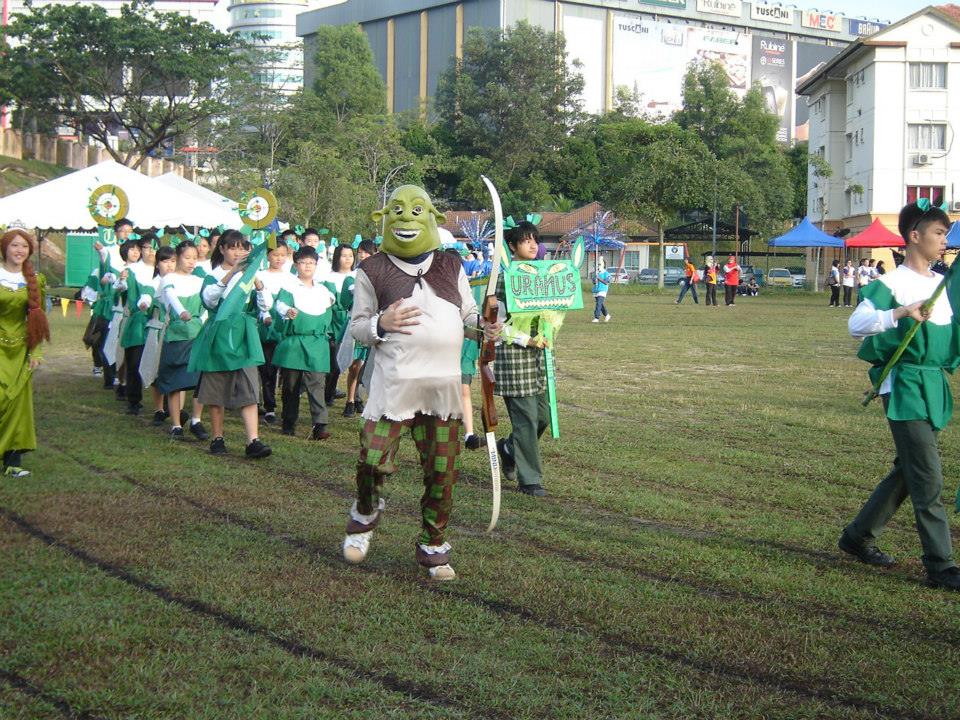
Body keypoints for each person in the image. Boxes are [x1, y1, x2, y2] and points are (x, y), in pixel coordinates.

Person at [340, 185, 492, 581]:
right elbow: (357, 327)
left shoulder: (451, 264)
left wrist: (486, 329)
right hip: (394, 387)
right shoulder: (371, 270)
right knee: (372, 460)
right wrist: (380, 324)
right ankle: (365, 513)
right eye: (399, 211)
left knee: (442, 471)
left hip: (441, 388)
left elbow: (469, 314)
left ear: (432, 219)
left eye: (417, 210)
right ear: (386, 218)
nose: (407, 218)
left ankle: (433, 547)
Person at [840, 200, 960, 591]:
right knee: (927, 477)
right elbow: (856, 324)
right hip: (905, 386)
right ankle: (940, 565)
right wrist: (900, 312)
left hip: (933, 385)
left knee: (910, 472)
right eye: (939, 233)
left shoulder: (941, 285)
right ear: (914, 236)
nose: (944, 240)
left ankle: (857, 537)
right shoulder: (891, 284)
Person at [189, 230, 272, 459]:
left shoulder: (252, 276)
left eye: (242, 248)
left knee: (249, 388)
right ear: (222, 249)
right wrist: (232, 274)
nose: (237, 252)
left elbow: (265, 305)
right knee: (217, 388)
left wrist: (255, 280)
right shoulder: (213, 275)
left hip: (243, 334)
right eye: (232, 247)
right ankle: (217, 437)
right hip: (219, 334)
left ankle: (253, 440)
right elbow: (209, 300)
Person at [494, 221, 551, 498]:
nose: (532, 245)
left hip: (538, 357)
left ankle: (509, 449)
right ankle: (530, 479)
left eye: (535, 240)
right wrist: (524, 339)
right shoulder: (504, 278)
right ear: (513, 246)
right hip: (514, 356)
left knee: (542, 416)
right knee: (526, 418)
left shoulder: (542, 275)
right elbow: (494, 324)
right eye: (526, 241)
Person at [272, 245, 337, 440]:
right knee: (291, 384)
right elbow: (280, 304)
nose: (307, 266)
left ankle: (320, 424)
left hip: (317, 342)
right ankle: (289, 421)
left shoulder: (324, 290)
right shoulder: (289, 287)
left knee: (317, 383)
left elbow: (331, 311)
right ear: (296, 264)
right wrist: (287, 312)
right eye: (303, 262)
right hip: (295, 341)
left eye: (311, 263)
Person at [0, 229, 50, 477]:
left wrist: (36, 352)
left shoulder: (34, 280)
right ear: (4, 248)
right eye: (14, 246)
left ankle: (12, 461)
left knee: (17, 404)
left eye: (24, 247)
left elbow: (37, 320)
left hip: (21, 350)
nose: (19, 250)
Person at [157, 241, 208, 441]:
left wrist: (201, 321)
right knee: (174, 380)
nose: (191, 262)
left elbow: (206, 304)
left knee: (198, 380)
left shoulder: (199, 280)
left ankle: (196, 419)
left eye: (195, 258)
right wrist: (182, 312)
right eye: (187, 258)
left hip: (196, 334)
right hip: (177, 333)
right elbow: (170, 295)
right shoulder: (168, 278)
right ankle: (176, 424)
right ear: (177, 257)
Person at [118, 234, 158, 416]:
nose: (151, 251)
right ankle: (134, 400)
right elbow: (122, 289)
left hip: (158, 321)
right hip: (137, 321)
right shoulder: (133, 270)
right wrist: (122, 281)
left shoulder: (163, 269)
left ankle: (162, 405)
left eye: (154, 247)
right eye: (147, 247)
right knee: (134, 361)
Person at [255, 240, 291, 425]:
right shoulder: (260, 275)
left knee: (286, 370)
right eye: (275, 254)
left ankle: (287, 407)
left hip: (285, 327)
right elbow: (258, 300)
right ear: (268, 255)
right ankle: (269, 406)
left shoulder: (290, 277)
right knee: (268, 368)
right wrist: (265, 315)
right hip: (267, 326)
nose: (278, 258)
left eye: (282, 255)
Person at [343, 239, 377, 417]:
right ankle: (349, 399)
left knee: (369, 365)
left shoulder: (379, 276)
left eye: (367, 252)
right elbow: (344, 302)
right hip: (357, 323)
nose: (363, 255)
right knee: (355, 365)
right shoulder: (351, 276)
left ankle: (360, 398)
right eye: (361, 252)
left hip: (374, 324)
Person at [324, 244, 354, 407]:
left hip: (350, 322)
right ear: (337, 257)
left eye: (350, 255)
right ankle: (327, 394)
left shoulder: (357, 276)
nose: (347, 259)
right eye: (344, 255)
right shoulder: (328, 277)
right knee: (333, 362)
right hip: (333, 324)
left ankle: (351, 397)